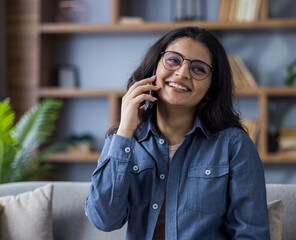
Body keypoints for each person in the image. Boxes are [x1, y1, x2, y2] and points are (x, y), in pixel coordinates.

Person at [85, 26, 270, 239]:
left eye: (198, 69)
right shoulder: (122, 140)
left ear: (211, 90)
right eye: (173, 60)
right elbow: (103, 220)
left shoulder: (233, 145)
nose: (182, 73)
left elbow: (252, 234)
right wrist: (125, 129)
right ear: (154, 69)